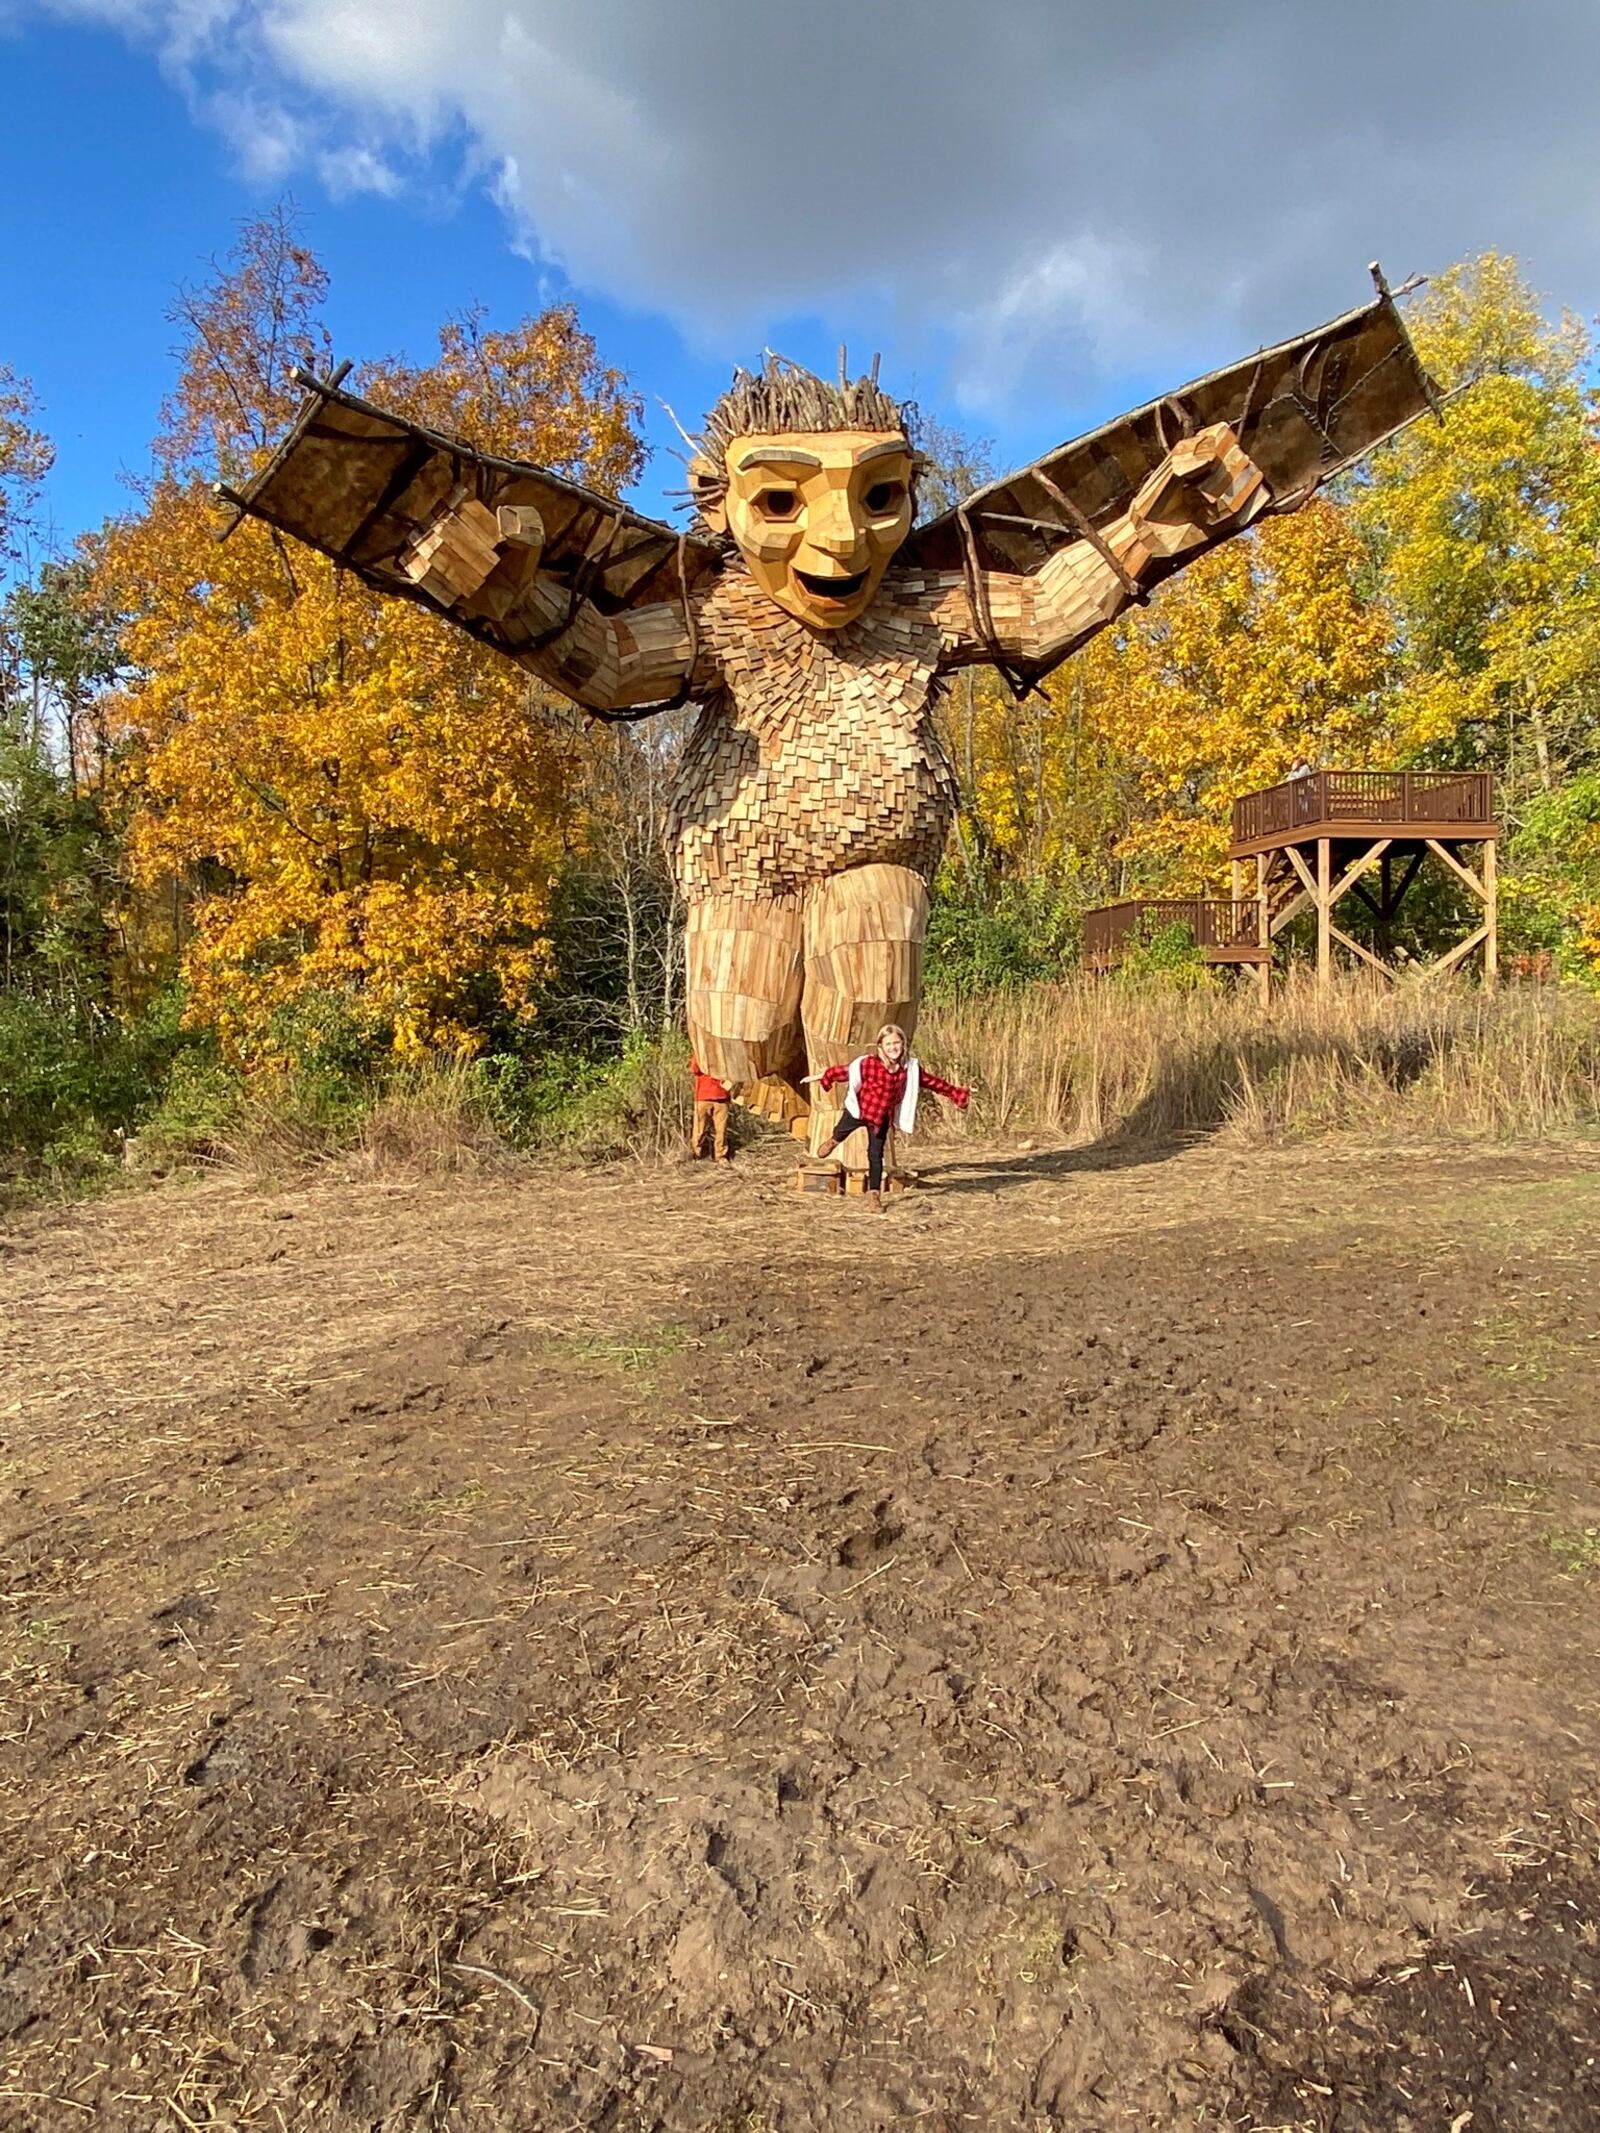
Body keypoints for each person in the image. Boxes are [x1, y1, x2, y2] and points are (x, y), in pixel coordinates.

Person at [804, 1024, 970, 1211]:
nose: (893, 1047)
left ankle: (874, 1196)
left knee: (875, 1156)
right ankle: (834, 1141)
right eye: (888, 1044)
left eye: (897, 1043)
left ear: (903, 1044)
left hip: (880, 1118)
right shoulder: (869, 1064)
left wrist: (956, 1092)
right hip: (860, 1110)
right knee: (842, 1130)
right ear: (880, 1046)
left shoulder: (909, 1069)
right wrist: (825, 1076)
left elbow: (933, 1083)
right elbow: (846, 1072)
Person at [689, 1055, 733, 1161]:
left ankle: (704, 1155)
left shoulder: (700, 1050)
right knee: (706, 1129)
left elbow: (693, 1068)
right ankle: (699, 1155)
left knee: (709, 1129)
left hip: (714, 1096)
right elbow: (694, 1068)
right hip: (708, 1096)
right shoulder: (723, 1051)